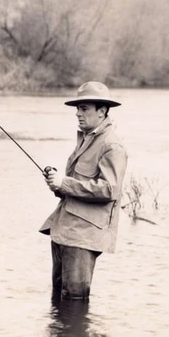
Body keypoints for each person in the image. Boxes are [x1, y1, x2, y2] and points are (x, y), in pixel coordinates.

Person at [39, 81, 128, 300]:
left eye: (84, 108)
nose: (78, 114)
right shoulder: (86, 139)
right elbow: (78, 186)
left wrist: (65, 183)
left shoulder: (111, 146)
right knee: (59, 302)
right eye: (77, 109)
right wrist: (57, 185)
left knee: (74, 303)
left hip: (83, 236)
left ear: (102, 111)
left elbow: (109, 190)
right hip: (65, 231)